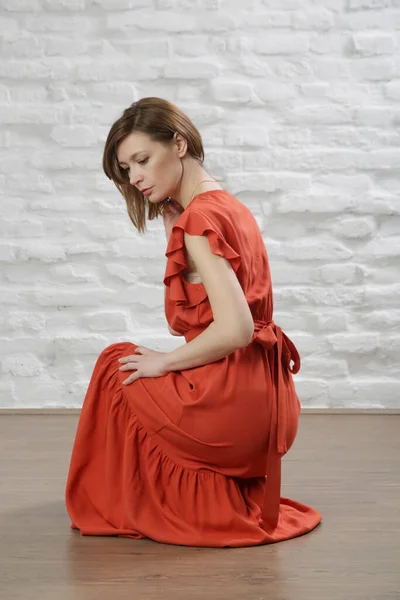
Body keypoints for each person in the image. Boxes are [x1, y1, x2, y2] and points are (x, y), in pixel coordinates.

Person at [65, 97, 322, 547]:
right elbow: (214, 318)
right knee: (130, 362)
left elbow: (236, 330)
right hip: (269, 400)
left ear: (179, 144)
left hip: (234, 404)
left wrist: (164, 364)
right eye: (126, 170)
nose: (135, 177)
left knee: (115, 364)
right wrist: (175, 238)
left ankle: (131, 501)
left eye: (142, 160)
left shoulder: (199, 220)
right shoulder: (227, 207)